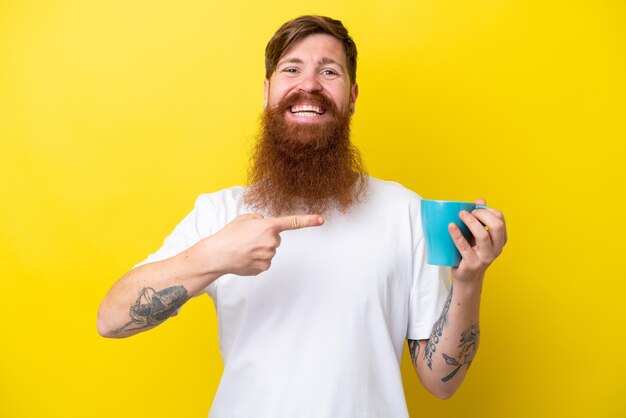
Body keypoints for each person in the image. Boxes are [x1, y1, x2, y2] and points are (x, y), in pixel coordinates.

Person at [97, 15, 507, 417]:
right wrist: (213, 256)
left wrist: (468, 281)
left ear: (352, 97)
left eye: (329, 72)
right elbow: (112, 320)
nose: (309, 84)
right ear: (267, 91)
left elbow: (441, 382)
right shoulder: (219, 212)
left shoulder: (405, 211)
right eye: (291, 69)